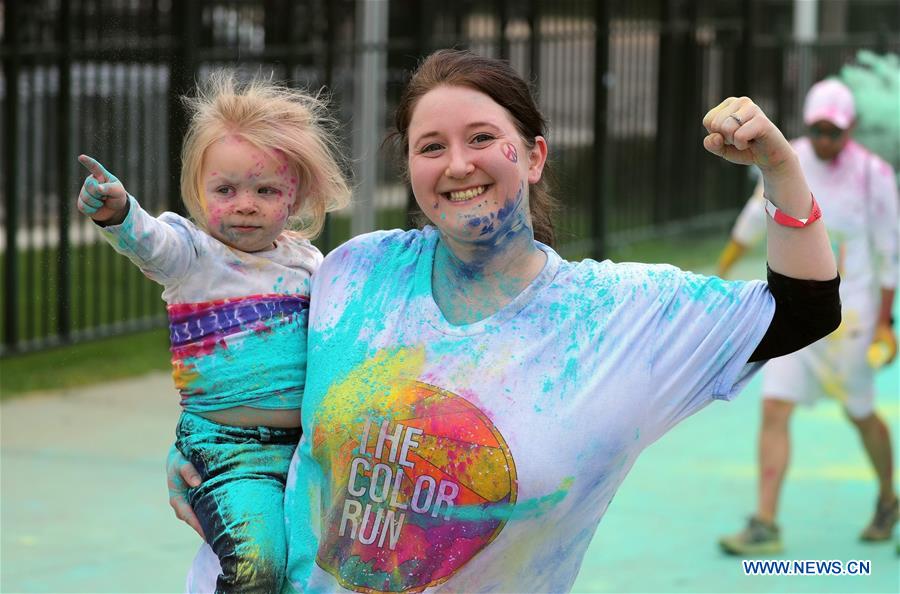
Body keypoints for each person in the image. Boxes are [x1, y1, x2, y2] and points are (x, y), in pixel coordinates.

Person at [170, 49, 841, 593]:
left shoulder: (619, 320)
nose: (458, 164)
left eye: (482, 138)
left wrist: (781, 168)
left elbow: (805, 311)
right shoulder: (356, 271)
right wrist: (208, 462)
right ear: (410, 171)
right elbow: (270, 385)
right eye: (430, 146)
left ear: (535, 154)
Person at [76, 72, 351, 592]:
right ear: (200, 194)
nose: (245, 203)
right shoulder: (193, 256)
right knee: (257, 565)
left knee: (314, 568)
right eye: (225, 189)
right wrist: (119, 213)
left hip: (303, 449)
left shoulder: (308, 264)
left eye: (265, 190)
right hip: (227, 451)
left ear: (297, 196)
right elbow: (149, 241)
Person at [716, 79, 899, 555]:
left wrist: (885, 323)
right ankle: (765, 522)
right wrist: (723, 266)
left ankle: (887, 498)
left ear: (850, 129)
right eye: (818, 130)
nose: (825, 140)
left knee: (860, 413)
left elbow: (890, 252)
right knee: (775, 406)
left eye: (834, 132)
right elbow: (757, 216)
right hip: (794, 313)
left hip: (850, 321)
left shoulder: (872, 175)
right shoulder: (787, 158)